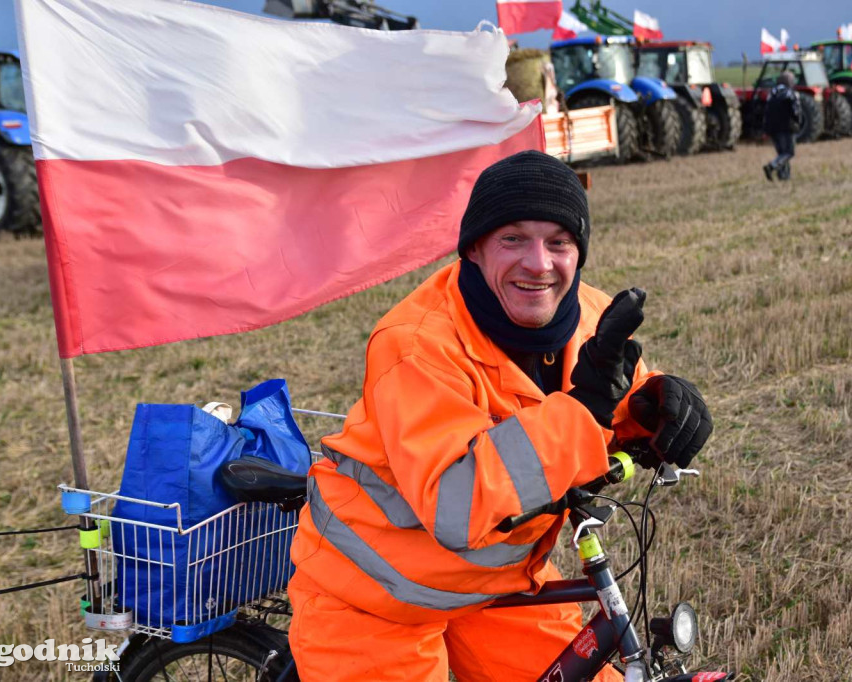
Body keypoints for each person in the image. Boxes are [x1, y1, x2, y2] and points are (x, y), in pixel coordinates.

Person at [287, 150, 713, 681]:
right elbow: (457, 502)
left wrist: (657, 408)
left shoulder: (591, 317)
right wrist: (583, 414)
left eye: (559, 242)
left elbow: (611, 397)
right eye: (513, 239)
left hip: (495, 586)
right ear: (474, 249)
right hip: (374, 595)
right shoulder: (416, 346)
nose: (539, 263)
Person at [762, 70, 802, 182]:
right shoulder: (791, 94)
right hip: (787, 127)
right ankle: (772, 166)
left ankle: (784, 177)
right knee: (789, 152)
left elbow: (766, 113)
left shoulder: (771, 94)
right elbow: (796, 111)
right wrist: (798, 122)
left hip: (772, 128)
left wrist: (765, 129)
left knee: (781, 153)